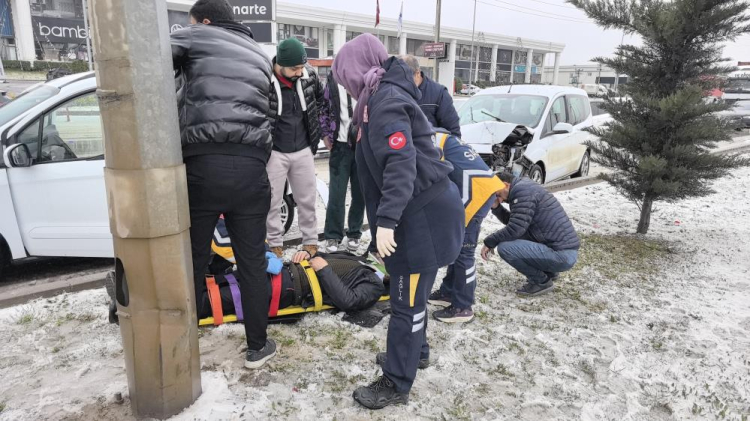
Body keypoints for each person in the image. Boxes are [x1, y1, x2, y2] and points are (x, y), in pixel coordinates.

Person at [333, 34, 465, 410]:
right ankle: (414, 352)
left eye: (345, 76)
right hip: (421, 210)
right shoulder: (380, 95)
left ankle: (395, 382)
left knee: (406, 302)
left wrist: (387, 222)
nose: (346, 84)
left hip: (422, 217)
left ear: (357, 69)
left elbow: (400, 163)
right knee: (413, 297)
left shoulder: (385, 100)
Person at [170, 0, 276, 369]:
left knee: (192, 259)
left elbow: (150, 64)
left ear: (204, 20)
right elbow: (270, 112)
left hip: (203, 163)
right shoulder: (260, 55)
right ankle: (258, 346)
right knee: (252, 261)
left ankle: (182, 348)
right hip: (251, 168)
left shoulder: (195, 35)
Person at [427, 131, 506, 323]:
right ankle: (448, 292)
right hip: (476, 187)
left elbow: (431, 175)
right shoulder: (435, 134)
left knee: (464, 251)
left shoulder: (425, 138)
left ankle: (463, 306)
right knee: (456, 246)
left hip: (476, 193)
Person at [266, 38, 325, 259]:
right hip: (274, 151)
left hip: (303, 148)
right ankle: (274, 244)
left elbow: (321, 102)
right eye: (294, 68)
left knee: (307, 199)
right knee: (271, 200)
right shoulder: (265, 80)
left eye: (302, 66)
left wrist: (318, 131)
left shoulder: (309, 76)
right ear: (280, 64)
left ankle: (310, 242)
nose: (299, 72)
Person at [199, 251, 387, 321]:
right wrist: (307, 254)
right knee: (217, 281)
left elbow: (349, 301)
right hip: (282, 270)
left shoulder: (375, 284)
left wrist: (324, 270)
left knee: (214, 300)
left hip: (289, 289)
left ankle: (184, 314)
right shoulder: (359, 260)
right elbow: (322, 257)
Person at [480, 174, 580, 296]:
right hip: (563, 251)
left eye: (498, 195)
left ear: (505, 185)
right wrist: (496, 207)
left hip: (562, 255)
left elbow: (515, 229)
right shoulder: (524, 188)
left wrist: (490, 242)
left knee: (505, 248)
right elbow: (517, 222)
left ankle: (541, 281)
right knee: (516, 239)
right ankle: (549, 272)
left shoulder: (522, 191)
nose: (500, 200)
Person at [320, 71, 365, 253]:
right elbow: (323, 108)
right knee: (336, 193)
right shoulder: (332, 80)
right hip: (339, 145)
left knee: (360, 193)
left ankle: (354, 232)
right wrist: (325, 134)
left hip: (362, 145)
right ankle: (333, 235)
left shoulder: (366, 78)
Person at [400, 55, 461, 137]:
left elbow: (453, 131)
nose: (403, 84)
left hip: (430, 143)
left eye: (406, 79)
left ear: (417, 73)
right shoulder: (395, 91)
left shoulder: (439, 93)